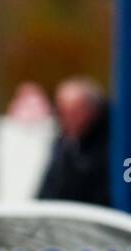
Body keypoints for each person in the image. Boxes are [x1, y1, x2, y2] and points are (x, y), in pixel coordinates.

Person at [37, 77, 110, 206]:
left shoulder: (117, 143)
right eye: (62, 112)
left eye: (75, 111)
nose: (68, 119)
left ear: (93, 110)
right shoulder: (64, 145)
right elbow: (48, 189)